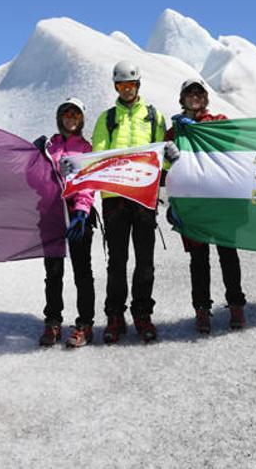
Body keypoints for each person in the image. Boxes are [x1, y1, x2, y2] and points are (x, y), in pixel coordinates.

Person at [91, 61, 169, 344]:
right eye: (121, 85)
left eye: (131, 85)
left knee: (145, 261)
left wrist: (171, 153)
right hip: (114, 200)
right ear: (116, 87)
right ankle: (114, 316)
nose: (126, 90)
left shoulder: (154, 117)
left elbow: (163, 158)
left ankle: (142, 314)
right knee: (117, 262)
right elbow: (98, 155)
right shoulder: (107, 119)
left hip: (144, 198)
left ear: (138, 85)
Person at [165, 79, 247, 334]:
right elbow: (168, 170)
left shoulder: (218, 121)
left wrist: (204, 129)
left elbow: (235, 142)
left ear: (206, 98)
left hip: (221, 202)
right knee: (199, 260)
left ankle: (235, 305)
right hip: (194, 205)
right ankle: (202, 309)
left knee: (228, 255)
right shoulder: (174, 132)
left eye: (199, 93)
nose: (195, 97)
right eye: (190, 93)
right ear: (182, 99)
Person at [34, 98, 97, 348]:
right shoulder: (50, 147)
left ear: (81, 120)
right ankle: (53, 321)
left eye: (76, 115)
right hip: (51, 215)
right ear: (60, 118)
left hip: (77, 216)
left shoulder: (87, 148)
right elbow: (35, 180)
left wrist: (82, 212)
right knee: (53, 272)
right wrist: (34, 155)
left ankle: (85, 324)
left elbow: (88, 183)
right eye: (66, 114)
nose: (71, 119)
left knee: (82, 271)